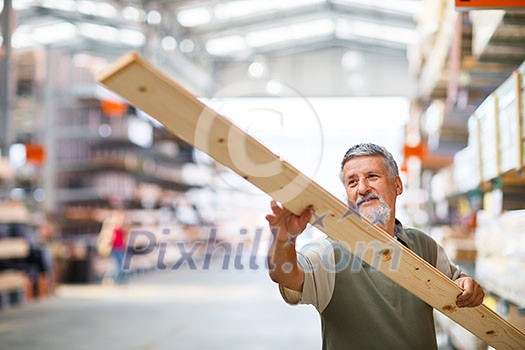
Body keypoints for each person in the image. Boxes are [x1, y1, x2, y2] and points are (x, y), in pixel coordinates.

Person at [265, 143, 484, 350]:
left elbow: (458, 284)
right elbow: (285, 274)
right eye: (352, 182)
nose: (362, 188)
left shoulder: (423, 245)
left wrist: (467, 285)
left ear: (397, 185)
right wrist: (284, 239)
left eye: (372, 176)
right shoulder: (329, 253)